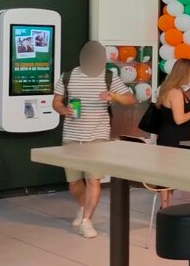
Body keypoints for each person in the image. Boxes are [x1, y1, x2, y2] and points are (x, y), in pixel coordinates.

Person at [52, 41, 135, 238]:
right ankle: (83, 208)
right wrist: (63, 109)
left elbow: (130, 99)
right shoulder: (68, 76)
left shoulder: (109, 76)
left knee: (93, 179)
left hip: (98, 135)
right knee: (74, 182)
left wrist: (114, 96)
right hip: (72, 135)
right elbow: (56, 101)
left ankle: (87, 221)